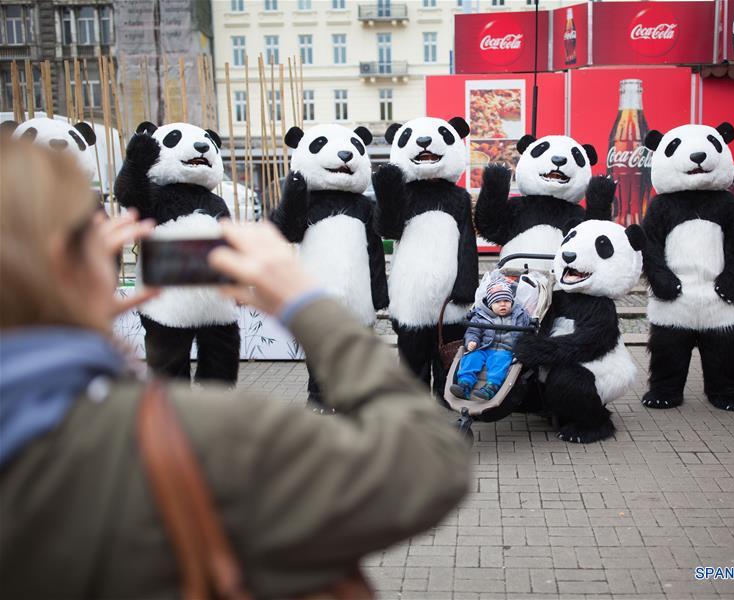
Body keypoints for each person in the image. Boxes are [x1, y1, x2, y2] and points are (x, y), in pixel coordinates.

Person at [0, 141, 470, 598]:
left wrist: (74, 315)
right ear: (79, 260)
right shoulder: (202, 431)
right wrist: (310, 309)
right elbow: (428, 464)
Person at [450, 279, 531, 401]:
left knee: (500, 360)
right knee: (472, 357)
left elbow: (524, 333)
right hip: (484, 347)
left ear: (512, 301)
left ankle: (491, 387)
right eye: (497, 302)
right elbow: (473, 331)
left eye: (506, 301)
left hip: (506, 349)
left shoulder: (519, 315)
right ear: (490, 304)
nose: (503, 304)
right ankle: (464, 384)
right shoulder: (480, 316)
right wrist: (472, 341)